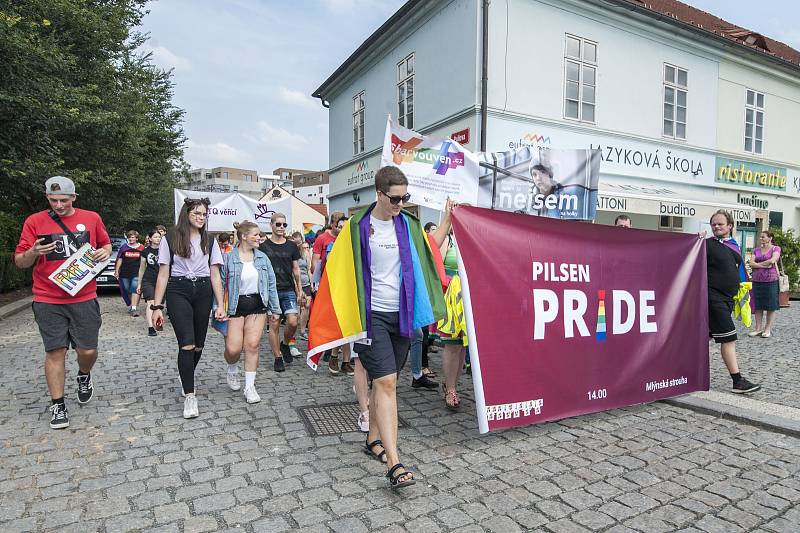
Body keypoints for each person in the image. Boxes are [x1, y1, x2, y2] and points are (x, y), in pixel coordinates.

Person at [351, 166, 446, 488]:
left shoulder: (408, 225)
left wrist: (448, 219)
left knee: (384, 383)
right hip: (370, 315)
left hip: (402, 314)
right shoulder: (357, 228)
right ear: (379, 194)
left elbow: (431, 250)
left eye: (405, 197)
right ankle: (395, 462)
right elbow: (342, 274)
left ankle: (372, 439)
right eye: (395, 198)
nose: (400, 204)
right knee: (388, 381)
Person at [14, 176, 112, 429]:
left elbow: (106, 245)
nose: (58, 205)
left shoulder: (91, 218)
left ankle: (83, 374)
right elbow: (20, 261)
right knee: (55, 351)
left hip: (84, 296)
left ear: (74, 198)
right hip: (47, 297)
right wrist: (33, 252)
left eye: (63, 200)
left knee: (87, 351)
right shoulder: (34, 221)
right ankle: (58, 404)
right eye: (53, 200)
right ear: (47, 197)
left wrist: (106, 250)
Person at [150, 198, 225, 418]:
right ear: (187, 214)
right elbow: (163, 274)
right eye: (197, 213)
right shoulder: (171, 237)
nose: (201, 218)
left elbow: (215, 274)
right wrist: (157, 306)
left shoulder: (210, 241)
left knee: (199, 346)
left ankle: (186, 376)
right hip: (178, 289)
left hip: (203, 290)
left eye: (204, 214)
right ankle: (190, 397)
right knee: (187, 344)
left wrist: (220, 304)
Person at [220, 221, 280, 403]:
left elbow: (271, 284)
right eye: (255, 234)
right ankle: (232, 368)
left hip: (257, 305)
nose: (259, 237)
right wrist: (218, 308)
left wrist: (274, 309)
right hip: (234, 307)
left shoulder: (263, 258)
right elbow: (221, 284)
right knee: (233, 349)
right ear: (244, 236)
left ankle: (250, 386)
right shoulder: (228, 258)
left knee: (252, 345)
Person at [705, 210, 760, 394]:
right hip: (713, 298)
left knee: (704, 337)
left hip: (728, 299)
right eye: (714, 224)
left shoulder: (733, 245)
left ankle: (688, 373)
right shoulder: (706, 244)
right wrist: (696, 240)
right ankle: (737, 381)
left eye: (720, 224)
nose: (716, 226)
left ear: (730, 226)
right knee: (729, 338)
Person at [259, 213, 304, 372]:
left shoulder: (291, 246)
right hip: (271, 291)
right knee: (275, 322)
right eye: (278, 224)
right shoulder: (263, 246)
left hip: (288, 289)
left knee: (293, 321)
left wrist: (299, 291)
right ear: (271, 225)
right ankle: (278, 357)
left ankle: (285, 344)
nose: (281, 228)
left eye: (284, 225)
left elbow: (296, 270)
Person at [748, 231, 781, 338]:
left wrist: (757, 265)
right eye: (760, 236)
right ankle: (758, 328)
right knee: (758, 305)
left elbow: (773, 260)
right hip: (757, 280)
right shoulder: (756, 250)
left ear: (770, 238)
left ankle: (767, 329)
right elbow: (751, 263)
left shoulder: (776, 248)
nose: (761, 238)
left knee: (771, 305)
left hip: (771, 280)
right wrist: (762, 265)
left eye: (763, 237)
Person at [136, 229, 162, 336]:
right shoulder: (145, 252)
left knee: (159, 303)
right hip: (148, 279)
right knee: (150, 302)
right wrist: (139, 283)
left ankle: (158, 322)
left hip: (161, 280)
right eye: (155, 237)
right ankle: (150, 327)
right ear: (150, 238)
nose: (158, 239)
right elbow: (142, 268)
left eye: (159, 237)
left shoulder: (164, 250)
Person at [115, 230, 144, 316]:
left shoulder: (141, 248)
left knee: (134, 288)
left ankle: (134, 308)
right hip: (125, 272)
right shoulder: (124, 247)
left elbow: (144, 261)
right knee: (127, 289)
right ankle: (132, 305)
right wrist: (117, 270)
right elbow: (120, 259)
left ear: (136, 238)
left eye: (133, 237)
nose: (131, 239)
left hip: (137, 272)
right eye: (129, 237)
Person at [292, 232, 314, 341]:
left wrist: (312, 283)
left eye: (299, 242)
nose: (297, 244)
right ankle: (292, 331)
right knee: (297, 308)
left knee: (307, 306)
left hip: (305, 282)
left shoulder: (305, 253)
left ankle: (302, 330)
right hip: (295, 283)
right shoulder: (290, 253)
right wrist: (297, 287)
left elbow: (309, 268)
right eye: (295, 243)